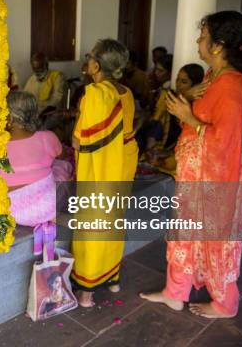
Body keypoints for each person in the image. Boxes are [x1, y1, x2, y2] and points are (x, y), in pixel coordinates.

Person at [140, 11, 242, 319]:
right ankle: (175, 292)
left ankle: (225, 303)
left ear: (218, 45)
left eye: (203, 36)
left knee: (214, 241)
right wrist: (187, 98)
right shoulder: (212, 77)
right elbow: (190, 112)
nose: (198, 41)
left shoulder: (232, 86)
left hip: (213, 185)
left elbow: (226, 142)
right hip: (194, 178)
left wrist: (190, 118)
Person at [71, 39, 136, 307]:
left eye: (89, 57)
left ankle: (86, 293)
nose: (87, 61)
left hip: (100, 167)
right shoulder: (126, 92)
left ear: (96, 65)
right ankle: (113, 278)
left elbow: (78, 140)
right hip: (123, 163)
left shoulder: (95, 94)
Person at [0, 91, 68, 259]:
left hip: (11, 209)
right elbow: (62, 155)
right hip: (46, 208)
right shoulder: (47, 137)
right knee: (63, 166)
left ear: (9, 117)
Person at [147, 64, 205, 176]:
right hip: (161, 148)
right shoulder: (169, 97)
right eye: (177, 79)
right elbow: (155, 121)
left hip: (180, 154)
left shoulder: (198, 107)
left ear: (196, 86)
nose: (178, 84)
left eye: (184, 82)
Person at [137, 54, 178, 155]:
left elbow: (157, 115)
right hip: (158, 123)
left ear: (170, 72)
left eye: (161, 71)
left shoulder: (167, 90)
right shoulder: (160, 87)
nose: (156, 73)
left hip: (165, 127)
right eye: (156, 70)